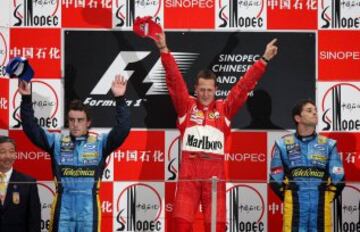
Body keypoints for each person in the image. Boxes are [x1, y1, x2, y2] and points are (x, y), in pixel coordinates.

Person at [146, 29, 278, 231]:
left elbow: (243, 87)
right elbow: (174, 80)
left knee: (216, 227)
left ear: (216, 90)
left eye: (209, 89)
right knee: (181, 226)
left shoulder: (224, 109)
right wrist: (164, 49)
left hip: (215, 180)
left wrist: (264, 60)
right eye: (202, 89)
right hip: (189, 178)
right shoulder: (186, 106)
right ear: (196, 89)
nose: (206, 94)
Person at [18, 75, 131, 232]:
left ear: (88, 122)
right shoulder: (56, 142)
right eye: (72, 120)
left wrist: (120, 99)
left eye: (80, 120)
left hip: (89, 211)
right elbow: (31, 129)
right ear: (68, 121)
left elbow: (123, 129)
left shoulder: (100, 144)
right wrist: (26, 99)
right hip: (63, 210)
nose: (76, 124)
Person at [270, 99, 345, 232]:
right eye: (309, 111)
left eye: (316, 111)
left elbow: (339, 179)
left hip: (321, 211)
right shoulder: (283, 144)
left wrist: (325, 198)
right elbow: (275, 180)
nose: (315, 113)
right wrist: (290, 197)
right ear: (298, 118)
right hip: (294, 211)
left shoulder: (328, 144)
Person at [0, 136, 41, 232]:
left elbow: (34, 220)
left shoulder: (28, 183)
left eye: (11, 151)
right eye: (2, 152)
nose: (8, 156)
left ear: (15, 154)